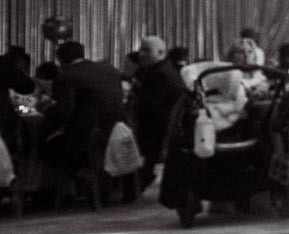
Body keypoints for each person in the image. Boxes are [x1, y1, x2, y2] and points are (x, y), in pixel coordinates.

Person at [42, 41, 127, 202]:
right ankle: (92, 179)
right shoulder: (109, 70)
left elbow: (64, 114)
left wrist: (45, 108)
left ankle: (80, 176)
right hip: (116, 132)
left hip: (86, 138)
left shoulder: (66, 77)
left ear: (61, 60)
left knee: (44, 146)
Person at [132, 36, 185, 199]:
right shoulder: (163, 70)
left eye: (147, 50)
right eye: (141, 50)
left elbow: (148, 106)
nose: (141, 54)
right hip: (163, 125)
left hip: (158, 128)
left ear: (161, 53)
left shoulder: (159, 74)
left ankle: (131, 182)